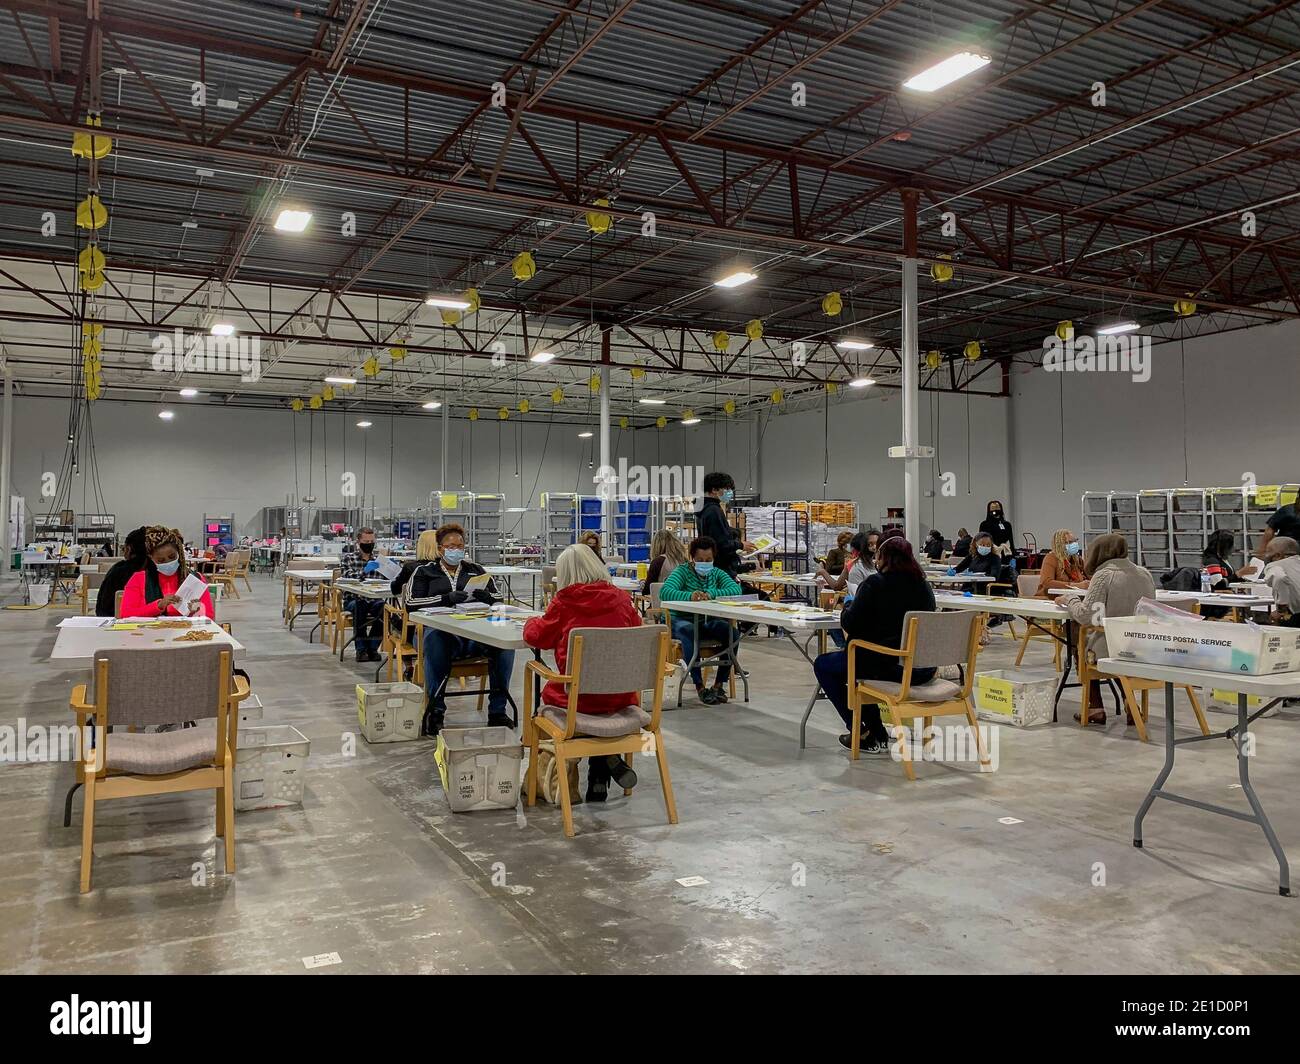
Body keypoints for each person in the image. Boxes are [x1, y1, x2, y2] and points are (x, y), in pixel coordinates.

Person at [523, 544, 643, 802]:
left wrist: (531, 620)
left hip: (578, 699)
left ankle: (574, 775)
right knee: (594, 698)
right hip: (620, 696)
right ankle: (603, 768)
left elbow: (537, 636)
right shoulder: (623, 599)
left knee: (558, 697)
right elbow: (638, 633)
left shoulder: (564, 602)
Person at [813, 537, 936, 753]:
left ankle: (861, 731)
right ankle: (875, 732)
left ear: (882, 558)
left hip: (887, 666)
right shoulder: (924, 587)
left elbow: (852, 623)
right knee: (858, 666)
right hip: (921, 667)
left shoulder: (875, 584)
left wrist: (848, 605)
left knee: (826, 665)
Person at [407, 523, 513, 736]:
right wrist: (445, 599)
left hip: (475, 634)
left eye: (460, 545)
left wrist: (488, 598)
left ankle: (498, 711)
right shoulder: (424, 572)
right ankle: (436, 711)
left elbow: (499, 598)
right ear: (440, 549)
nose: (457, 550)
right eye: (451, 546)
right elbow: (411, 603)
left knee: (504, 646)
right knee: (435, 640)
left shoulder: (475, 570)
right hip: (443, 635)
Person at [1057, 533, 1155, 727]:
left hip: (1111, 647)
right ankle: (1130, 702)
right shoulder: (1144, 573)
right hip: (1141, 645)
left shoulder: (1103, 575)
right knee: (1111, 642)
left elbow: (1087, 616)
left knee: (1083, 642)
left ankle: (1095, 707)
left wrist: (1069, 599)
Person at [659, 536, 742, 705]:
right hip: (679, 620)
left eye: (708, 560)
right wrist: (690, 596)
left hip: (705, 620)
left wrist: (712, 594)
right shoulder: (682, 572)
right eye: (700, 560)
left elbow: (736, 589)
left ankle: (719, 684)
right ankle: (699, 686)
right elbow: (665, 592)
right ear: (692, 558)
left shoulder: (717, 573)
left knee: (732, 633)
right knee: (689, 632)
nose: (704, 563)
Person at [120, 525, 215, 619]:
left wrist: (197, 611)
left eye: (172, 557)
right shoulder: (139, 579)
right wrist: (159, 605)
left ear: (179, 553)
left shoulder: (195, 579)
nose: (168, 563)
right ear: (151, 558)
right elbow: (126, 614)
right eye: (161, 560)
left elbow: (209, 617)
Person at [692, 472, 752, 577]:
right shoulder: (713, 510)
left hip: (715, 567)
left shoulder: (703, 509)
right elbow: (720, 543)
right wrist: (741, 545)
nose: (730, 493)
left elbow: (715, 533)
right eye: (727, 489)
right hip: (722, 569)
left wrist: (733, 532)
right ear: (714, 490)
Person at [339, 527, 385, 662]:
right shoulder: (349, 559)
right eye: (366, 541)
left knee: (384, 609)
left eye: (372, 541)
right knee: (361, 605)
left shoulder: (379, 561)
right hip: (353, 600)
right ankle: (361, 649)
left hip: (374, 599)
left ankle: (373, 646)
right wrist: (364, 571)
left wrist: (392, 572)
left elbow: (386, 581)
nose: (369, 543)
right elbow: (347, 576)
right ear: (358, 541)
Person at [96, 525, 147, 616]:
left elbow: (102, 609)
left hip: (116, 621)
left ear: (128, 549)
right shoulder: (158, 572)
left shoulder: (118, 571)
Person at [1035, 528, 1088, 596]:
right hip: (1050, 598)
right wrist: (1074, 585)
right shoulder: (1051, 558)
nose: (1074, 544)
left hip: (1073, 597)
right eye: (1069, 542)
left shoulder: (1078, 560)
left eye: (1075, 541)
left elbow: (1088, 576)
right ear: (1060, 545)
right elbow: (1046, 582)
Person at [1261, 536, 1300, 625]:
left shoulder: (1275, 565)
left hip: (1295, 616)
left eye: (1268, 552)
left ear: (1278, 555)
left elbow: (1279, 577)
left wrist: (1281, 610)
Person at [641, 528, 688, 594]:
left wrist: (642, 584)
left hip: (662, 600)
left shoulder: (658, 562)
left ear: (656, 545)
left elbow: (647, 591)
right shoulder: (684, 560)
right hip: (682, 599)